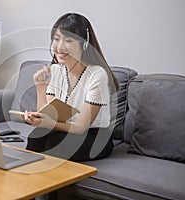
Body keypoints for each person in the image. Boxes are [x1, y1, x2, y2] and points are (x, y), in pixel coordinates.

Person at [23, 13, 119, 161]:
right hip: (64, 129)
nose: (60, 47)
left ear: (84, 44)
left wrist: (49, 123)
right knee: (36, 137)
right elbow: (48, 115)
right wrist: (41, 88)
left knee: (57, 143)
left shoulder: (97, 75)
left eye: (68, 40)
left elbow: (80, 127)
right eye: (56, 39)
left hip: (95, 136)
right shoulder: (55, 70)